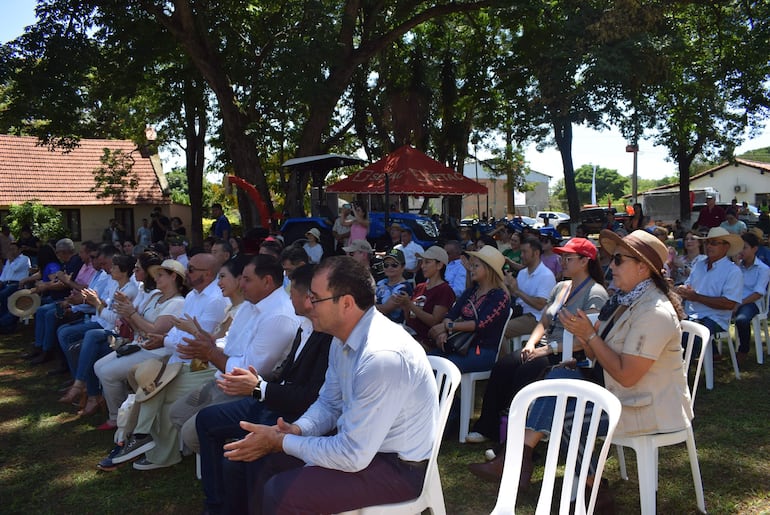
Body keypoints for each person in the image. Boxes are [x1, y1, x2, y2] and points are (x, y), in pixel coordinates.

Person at [218, 256, 439, 514]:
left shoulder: (381, 357)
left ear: (346, 303)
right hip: (365, 451)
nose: (308, 305)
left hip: (398, 468)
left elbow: (352, 454)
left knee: (282, 492)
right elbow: (329, 403)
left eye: (316, 298)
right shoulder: (342, 338)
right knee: (266, 464)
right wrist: (297, 430)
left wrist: (281, 441)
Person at [487, 229, 692, 499]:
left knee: (562, 415)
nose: (611, 265)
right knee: (560, 381)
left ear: (642, 267)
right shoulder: (627, 301)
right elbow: (601, 357)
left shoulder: (653, 312)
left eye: (618, 260)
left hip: (649, 407)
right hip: (624, 396)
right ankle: (571, 480)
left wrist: (590, 336)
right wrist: (586, 343)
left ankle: (582, 485)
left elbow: (627, 376)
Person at [196, 264, 332, 514]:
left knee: (241, 458)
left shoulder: (327, 334)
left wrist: (259, 387)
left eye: (292, 291)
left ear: (308, 298)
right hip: (274, 402)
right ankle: (215, 503)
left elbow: (309, 398)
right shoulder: (305, 324)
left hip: (293, 415)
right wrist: (257, 381)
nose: (288, 295)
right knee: (206, 420)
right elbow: (288, 373)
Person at [464, 238, 608, 448]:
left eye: (568, 258)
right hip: (546, 346)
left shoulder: (595, 293)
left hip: (570, 354)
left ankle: (516, 440)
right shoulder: (561, 287)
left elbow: (587, 337)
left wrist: (546, 350)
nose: (562, 262)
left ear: (585, 261)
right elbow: (544, 321)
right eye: (561, 257)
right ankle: (488, 427)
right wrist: (531, 344)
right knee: (504, 366)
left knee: (527, 372)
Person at [168, 255, 299, 460]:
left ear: (267, 282)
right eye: (241, 278)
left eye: (247, 279)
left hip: (246, 392)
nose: (241, 284)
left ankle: (231, 464)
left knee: (190, 433)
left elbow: (249, 371)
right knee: (176, 413)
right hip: (222, 380)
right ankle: (218, 458)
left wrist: (209, 352)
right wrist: (208, 346)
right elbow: (229, 343)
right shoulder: (250, 304)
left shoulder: (279, 316)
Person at [108, 252, 230, 470]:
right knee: (152, 385)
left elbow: (192, 343)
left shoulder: (215, 300)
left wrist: (167, 340)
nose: (187, 272)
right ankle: (152, 446)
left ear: (208, 274)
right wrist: (167, 339)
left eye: (191, 269)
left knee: (156, 390)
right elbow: (178, 334)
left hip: (201, 366)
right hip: (180, 361)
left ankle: (143, 439)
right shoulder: (193, 296)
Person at [94, 253, 186, 431]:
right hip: (139, 345)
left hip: (157, 352)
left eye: (161, 275)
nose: (156, 278)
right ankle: (126, 412)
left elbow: (154, 332)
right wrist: (126, 311)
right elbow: (139, 326)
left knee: (106, 373)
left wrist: (131, 313)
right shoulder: (155, 296)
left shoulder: (177, 303)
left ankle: (119, 419)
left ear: (174, 277)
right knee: (98, 366)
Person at [57, 254, 138, 417]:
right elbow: (111, 313)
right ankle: (91, 394)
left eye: (115, 267)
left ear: (124, 271)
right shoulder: (118, 287)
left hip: (123, 338)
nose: (111, 269)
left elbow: (114, 318)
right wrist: (97, 302)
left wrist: (96, 303)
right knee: (82, 347)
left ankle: (83, 388)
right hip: (114, 333)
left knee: (92, 337)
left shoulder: (129, 290)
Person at [428, 245, 511, 373]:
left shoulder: (500, 297)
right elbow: (451, 314)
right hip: (458, 344)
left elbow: (480, 324)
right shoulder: (471, 291)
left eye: (476, 266)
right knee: (428, 361)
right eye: (471, 266)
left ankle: (444, 392)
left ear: (488, 270)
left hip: (482, 350)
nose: (471, 269)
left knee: (444, 367)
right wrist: (444, 333)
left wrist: (448, 327)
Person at [676, 227, 743, 358]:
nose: (709, 246)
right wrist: (681, 290)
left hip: (715, 318)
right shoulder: (700, 265)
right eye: (707, 243)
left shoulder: (733, 271)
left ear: (726, 247)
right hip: (691, 314)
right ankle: (682, 368)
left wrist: (696, 297)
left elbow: (729, 304)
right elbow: (688, 287)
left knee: (689, 338)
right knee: (667, 331)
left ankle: (685, 372)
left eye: (714, 243)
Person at [395, 246, 456, 348]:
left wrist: (409, 304)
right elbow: (410, 319)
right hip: (409, 335)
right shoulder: (420, 287)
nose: (422, 266)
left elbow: (434, 321)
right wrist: (405, 306)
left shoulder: (445, 290)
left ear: (439, 265)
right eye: (422, 262)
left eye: (427, 262)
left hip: (425, 342)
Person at [503, 238, 557, 343]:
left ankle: (504, 359)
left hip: (536, 318)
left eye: (525, 252)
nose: (521, 255)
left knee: (500, 329)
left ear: (536, 253)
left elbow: (540, 305)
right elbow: (515, 295)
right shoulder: (522, 273)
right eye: (521, 251)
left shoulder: (546, 275)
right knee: (491, 325)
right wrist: (507, 286)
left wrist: (517, 291)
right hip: (519, 312)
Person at [733, 232, 770, 364]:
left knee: (742, 320)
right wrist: (736, 266)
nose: (741, 251)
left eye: (745, 247)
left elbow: (758, 293)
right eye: (740, 248)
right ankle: (713, 352)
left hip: (751, 302)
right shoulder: (736, 266)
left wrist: (740, 303)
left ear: (754, 249)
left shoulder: (763, 269)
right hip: (733, 300)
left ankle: (743, 349)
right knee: (709, 314)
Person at [375, 248, 414, 324]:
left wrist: (364, 306)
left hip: (395, 327)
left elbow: (385, 309)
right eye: (386, 265)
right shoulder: (380, 283)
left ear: (403, 267)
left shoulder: (404, 287)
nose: (390, 268)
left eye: (394, 265)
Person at [0, 241, 30, 316]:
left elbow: (15, 269)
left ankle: (4, 318)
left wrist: (11, 261)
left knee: (3, 294)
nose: (11, 251)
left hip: (17, 284)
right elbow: (5, 272)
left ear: (19, 250)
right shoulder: (9, 260)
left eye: (13, 249)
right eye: (10, 249)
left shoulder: (24, 259)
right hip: (6, 283)